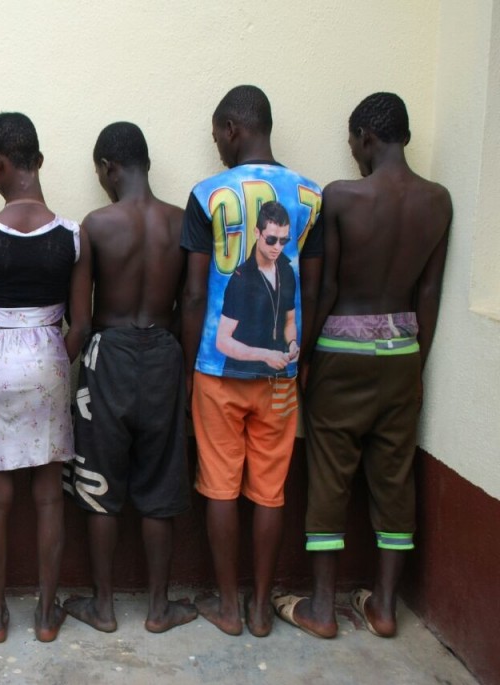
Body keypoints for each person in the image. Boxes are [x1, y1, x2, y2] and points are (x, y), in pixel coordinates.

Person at [273, 92, 452, 639]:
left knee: (329, 476)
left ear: (367, 138)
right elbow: (428, 293)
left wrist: (304, 357)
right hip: (402, 353)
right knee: (394, 478)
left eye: (353, 143)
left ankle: (322, 609)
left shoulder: (342, 197)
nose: (352, 153)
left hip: (340, 352)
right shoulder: (438, 201)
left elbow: (324, 288)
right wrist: (417, 366)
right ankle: (385, 608)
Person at [180, 85, 323, 637]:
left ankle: (228, 608)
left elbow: (195, 293)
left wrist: (190, 365)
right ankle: (262, 610)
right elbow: (313, 288)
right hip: (281, 377)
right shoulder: (310, 196)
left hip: (217, 370)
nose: (217, 146)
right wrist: (300, 359)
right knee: (270, 491)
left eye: (217, 135)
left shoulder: (207, 194)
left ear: (232, 129)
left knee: (219, 487)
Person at [0, 112, 92, 643]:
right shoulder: (74, 237)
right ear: (38, 160)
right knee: (48, 494)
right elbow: (82, 323)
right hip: (49, 355)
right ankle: (45, 616)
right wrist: (55, 357)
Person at [62, 122, 196, 634]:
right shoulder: (181, 222)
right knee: (160, 484)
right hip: (165, 354)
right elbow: (193, 302)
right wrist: (185, 369)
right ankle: (159, 609)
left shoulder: (96, 225)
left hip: (108, 354)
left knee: (100, 483)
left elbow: (80, 318)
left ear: (108, 168)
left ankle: (103, 607)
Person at [216, 201, 299, 376]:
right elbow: (222, 341)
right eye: (271, 240)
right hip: (241, 377)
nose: (277, 247)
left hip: (277, 375)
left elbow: (289, 320)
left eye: (283, 240)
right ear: (257, 233)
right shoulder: (241, 279)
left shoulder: (286, 272)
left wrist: (292, 343)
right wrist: (265, 355)